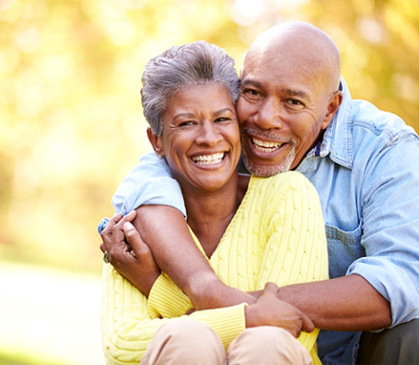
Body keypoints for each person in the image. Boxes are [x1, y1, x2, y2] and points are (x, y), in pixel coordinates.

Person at [100, 22, 419, 364]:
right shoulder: (211, 145)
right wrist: (223, 302)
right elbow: (150, 176)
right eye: (253, 93)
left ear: (330, 110)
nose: (265, 118)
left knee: (412, 334)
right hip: (213, 349)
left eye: (293, 102)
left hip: (346, 350)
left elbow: (402, 279)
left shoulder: (384, 150)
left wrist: (171, 288)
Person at [99, 40, 329, 364]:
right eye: (187, 123)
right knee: (187, 341)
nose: (208, 137)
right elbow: (123, 345)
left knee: (264, 344)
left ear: (238, 124)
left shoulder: (288, 195)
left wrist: (155, 286)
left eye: (222, 119)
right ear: (156, 141)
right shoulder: (136, 223)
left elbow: (289, 330)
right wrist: (248, 319)